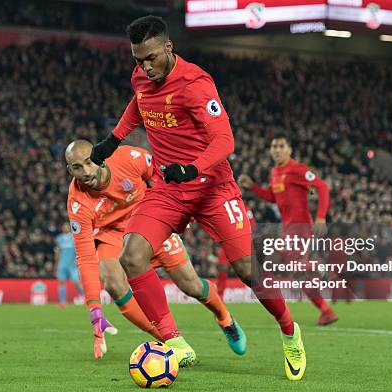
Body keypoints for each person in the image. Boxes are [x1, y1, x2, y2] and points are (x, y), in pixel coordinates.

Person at [91, 16, 306, 381]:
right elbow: (138, 103)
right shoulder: (141, 77)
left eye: (151, 58)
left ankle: (289, 330)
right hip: (169, 189)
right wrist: (114, 138)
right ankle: (174, 341)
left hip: (212, 188)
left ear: (169, 48)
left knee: (246, 270)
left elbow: (225, 141)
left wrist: (193, 167)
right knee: (133, 256)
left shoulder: (195, 83)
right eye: (138, 59)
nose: (144, 67)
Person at [65, 140, 246, 364]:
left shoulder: (129, 158)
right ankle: (171, 342)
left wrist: (178, 211)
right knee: (112, 281)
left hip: (150, 224)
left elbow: (163, 174)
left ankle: (224, 317)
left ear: (99, 158)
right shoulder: (77, 202)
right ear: (69, 170)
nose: (85, 172)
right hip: (113, 236)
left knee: (192, 286)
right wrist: (95, 309)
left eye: (89, 163)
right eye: (77, 168)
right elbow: (85, 256)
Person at [238, 132, 339, 326]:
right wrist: (253, 187)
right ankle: (326, 310)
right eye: (274, 146)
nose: (277, 150)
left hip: (300, 229)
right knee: (294, 272)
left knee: (273, 264)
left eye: (281, 146)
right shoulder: (275, 173)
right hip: (287, 229)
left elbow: (322, 187)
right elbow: (272, 197)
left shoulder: (297, 169)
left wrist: (320, 217)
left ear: (289, 149)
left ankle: (321, 268)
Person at [54, 223, 84, 308]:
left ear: (70, 228)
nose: (65, 228)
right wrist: (56, 263)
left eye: (67, 227)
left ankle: (86, 298)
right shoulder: (59, 238)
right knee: (61, 282)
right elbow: (57, 251)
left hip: (72, 264)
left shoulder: (74, 237)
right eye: (64, 227)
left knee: (76, 282)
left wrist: (77, 260)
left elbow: (79, 249)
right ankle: (62, 302)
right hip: (62, 264)